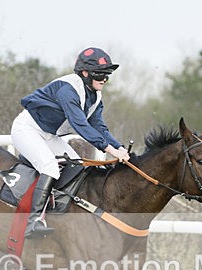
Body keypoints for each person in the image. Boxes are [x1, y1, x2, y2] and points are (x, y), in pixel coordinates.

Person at [10, 47, 130, 239]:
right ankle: (32, 222)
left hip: (50, 135)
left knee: (78, 165)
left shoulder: (95, 96)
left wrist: (119, 147)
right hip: (27, 130)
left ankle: (60, 211)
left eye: (107, 74)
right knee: (50, 168)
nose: (104, 79)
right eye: (100, 74)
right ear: (84, 73)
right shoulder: (68, 90)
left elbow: (99, 126)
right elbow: (80, 124)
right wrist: (108, 149)